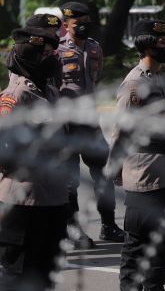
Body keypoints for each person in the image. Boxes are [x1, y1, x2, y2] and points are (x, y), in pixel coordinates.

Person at [109, 19, 165, 291]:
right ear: (146, 45)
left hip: (164, 173)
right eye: (160, 42)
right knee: (137, 244)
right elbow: (120, 132)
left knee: (161, 241)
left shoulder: (157, 79)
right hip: (143, 174)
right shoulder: (135, 83)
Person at [0, 26, 69, 291]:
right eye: (46, 54)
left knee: (45, 274)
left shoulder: (50, 94)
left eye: (54, 52)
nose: (53, 59)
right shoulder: (16, 95)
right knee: (17, 275)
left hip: (53, 199)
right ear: (29, 55)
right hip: (23, 201)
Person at [57, 1, 123, 247]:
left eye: (86, 23)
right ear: (66, 25)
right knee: (70, 181)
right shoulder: (58, 50)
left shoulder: (95, 49)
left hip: (90, 123)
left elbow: (97, 79)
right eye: (78, 24)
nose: (83, 27)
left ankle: (109, 226)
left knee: (102, 176)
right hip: (67, 126)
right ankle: (73, 230)